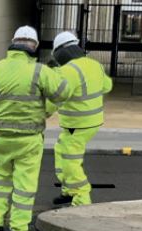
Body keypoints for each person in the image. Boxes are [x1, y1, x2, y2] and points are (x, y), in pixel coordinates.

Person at [0, 26, 72, 231]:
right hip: (28, 139)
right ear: (34, 46)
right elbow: (62, 93)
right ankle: (19, 229)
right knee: (24, 184)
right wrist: (56, 76)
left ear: (13, 42)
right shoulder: (39, 71)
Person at [50, 31, 113, 207]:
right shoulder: (95, 64)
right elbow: (107, 86)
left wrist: (42, 112)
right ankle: (68, 189)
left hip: (77, 124)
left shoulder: (67, 71)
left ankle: (81, 198)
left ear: (60, 53)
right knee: (60, 149)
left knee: (70, 159)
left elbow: (57, 96)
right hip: (92, 121)